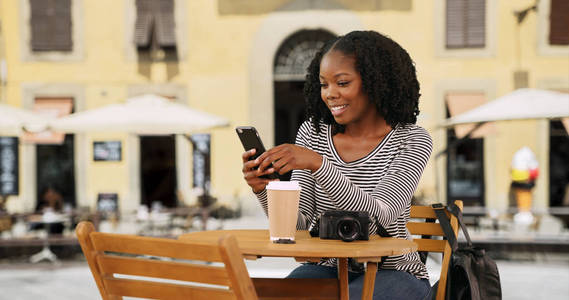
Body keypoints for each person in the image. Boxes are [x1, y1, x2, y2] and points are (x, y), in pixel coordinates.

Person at [241, 30, 432, 300]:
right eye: (323, 84)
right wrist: (266, 189)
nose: (330, 94)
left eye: (342, 83)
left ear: (376, 83)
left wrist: (319, 164)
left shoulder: (411, 140)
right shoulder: (312, 134)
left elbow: (382, 216)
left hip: (394, 272)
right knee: (271, 295)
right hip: (328, 268)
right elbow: (300, 229)